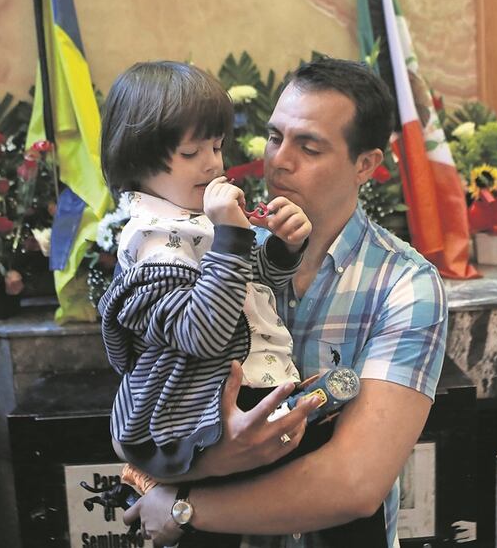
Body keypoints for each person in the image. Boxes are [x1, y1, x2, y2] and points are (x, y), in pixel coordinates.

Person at [123, 57, 449, 547]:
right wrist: (211, 459)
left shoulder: (405, 285)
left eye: (309, 147)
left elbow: (357, 483)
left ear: (366, 164)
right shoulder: (211, 244)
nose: (280, 160)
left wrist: (185, 507)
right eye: (275, 137)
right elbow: (143, 401)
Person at [97, 61, 318, 545]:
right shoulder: (152, 246)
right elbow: (205, 331)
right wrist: (235, 235)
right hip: (192, 420)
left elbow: (253, 285)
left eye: (216, 147)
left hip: (234, 405)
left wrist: (280, 247)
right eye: (191, 151)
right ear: (138, 161)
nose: (213, 165)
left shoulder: (193, 221)